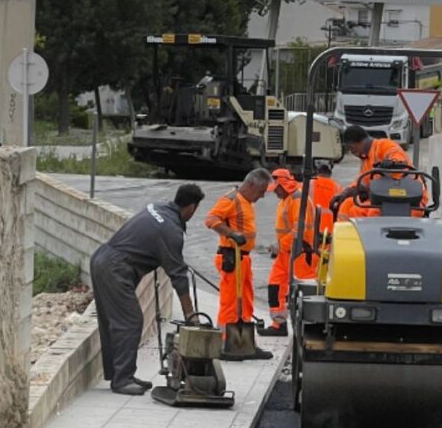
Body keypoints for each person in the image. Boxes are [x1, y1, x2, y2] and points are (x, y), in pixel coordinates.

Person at [91, 184, 205, 396]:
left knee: (113, 321)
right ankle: (122, 380)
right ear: (191, 207)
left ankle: (120, 375)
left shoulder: (158, 207)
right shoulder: (171, 231)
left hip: (103, 257)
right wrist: (191, 315)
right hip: (116, 268)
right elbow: (179, 277)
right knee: (130, 321)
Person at [205, 168, 273, 347]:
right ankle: (226, 343)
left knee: (245, 300)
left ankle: (244, 343)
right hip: (231, 257)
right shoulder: (232, 199)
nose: (262, 196)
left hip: (242, 258)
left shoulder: (246, 201)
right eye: (261, 191)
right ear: (250, 185)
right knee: (231, 302)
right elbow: (211, 219)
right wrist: (232, 234)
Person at [261, 169, 316, 336]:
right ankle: (279, 324)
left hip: (301, 252)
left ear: (282, 185)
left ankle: (310, 327)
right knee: (275, 285)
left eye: (276, 189)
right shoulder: (287, 199)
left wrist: (281, 245)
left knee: (304, 290)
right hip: (287, 252)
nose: (275, 193)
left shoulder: (297, 200)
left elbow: (299, 229)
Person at [342, 125, 429, 212]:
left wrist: (392, 162)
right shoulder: (366, 160)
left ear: (359, 142)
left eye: (351, 147)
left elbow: (398, 157)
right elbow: (361, 182)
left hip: (411, 199)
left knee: (371, 212)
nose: (351, 152)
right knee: (347, 205)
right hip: (385, 198)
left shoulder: (384, 145)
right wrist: (345, 193)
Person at [310, 161, 342, 236]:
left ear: (317, 172)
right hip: (330, 228)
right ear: (330, 173)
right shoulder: (337, 186)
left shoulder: (309, 184)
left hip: (312, 227)